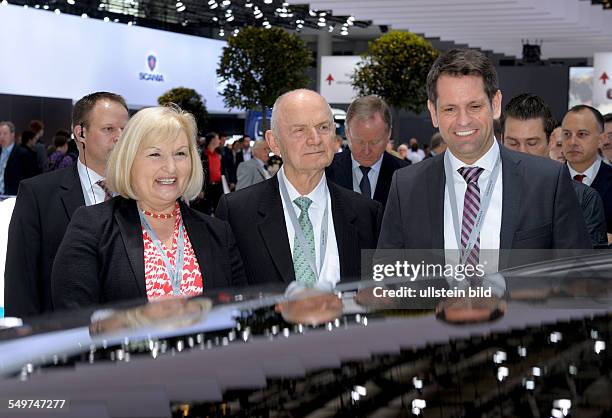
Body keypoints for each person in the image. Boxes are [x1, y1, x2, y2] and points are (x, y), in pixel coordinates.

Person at [378, 49, 590, 266]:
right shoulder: (406, 186)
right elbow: (387, 277)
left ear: (495, 104)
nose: (463, 121)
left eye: (474, 106)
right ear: (433, 112)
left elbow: (577, 277)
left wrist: (508, 299)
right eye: (450, 109)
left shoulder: (547, 182)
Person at [52, 106, 246, 311]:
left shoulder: (217, 232)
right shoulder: (93, 227)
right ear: (129, 161)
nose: (170, 167)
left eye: (180, 153)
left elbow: (239, 310)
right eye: (155, 154)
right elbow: (74, 316)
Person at [216, 89, 382, 287]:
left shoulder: (367, 213)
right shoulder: (237, 213)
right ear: (274, 143)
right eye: (300, 130)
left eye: (323, 127)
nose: (315, 139)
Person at [4, 92, 129, 318]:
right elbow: (20, 279)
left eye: (125, 130)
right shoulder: (38, 194)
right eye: (109, 129)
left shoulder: (142, 193)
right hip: (62, 338)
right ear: (80, 133)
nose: (120, 137)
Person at [501, 93, 607, 248]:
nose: (521, 153)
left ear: (550, 141)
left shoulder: (582, 199)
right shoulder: (483, 193)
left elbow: (583, 267)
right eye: (513, 143)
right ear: (502, 140)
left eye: (532, 143)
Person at [325, 95, 409, 208]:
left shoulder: (406, 177)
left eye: (374, 142)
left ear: (389, 134)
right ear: (347, 132)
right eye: (359, 141)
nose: (366, 151)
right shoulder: (325, 171)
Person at [562, 105, 612, 239]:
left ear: (600, 140)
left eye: (582, 134)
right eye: (567, 134)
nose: (572, 142)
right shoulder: (548, 181)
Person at [0, 121, 38, 196]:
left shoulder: (23, 153)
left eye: (5, 133)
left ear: (12, 134)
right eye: (0, 134)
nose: (1, 137)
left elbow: (29, 178)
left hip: (12, 196)